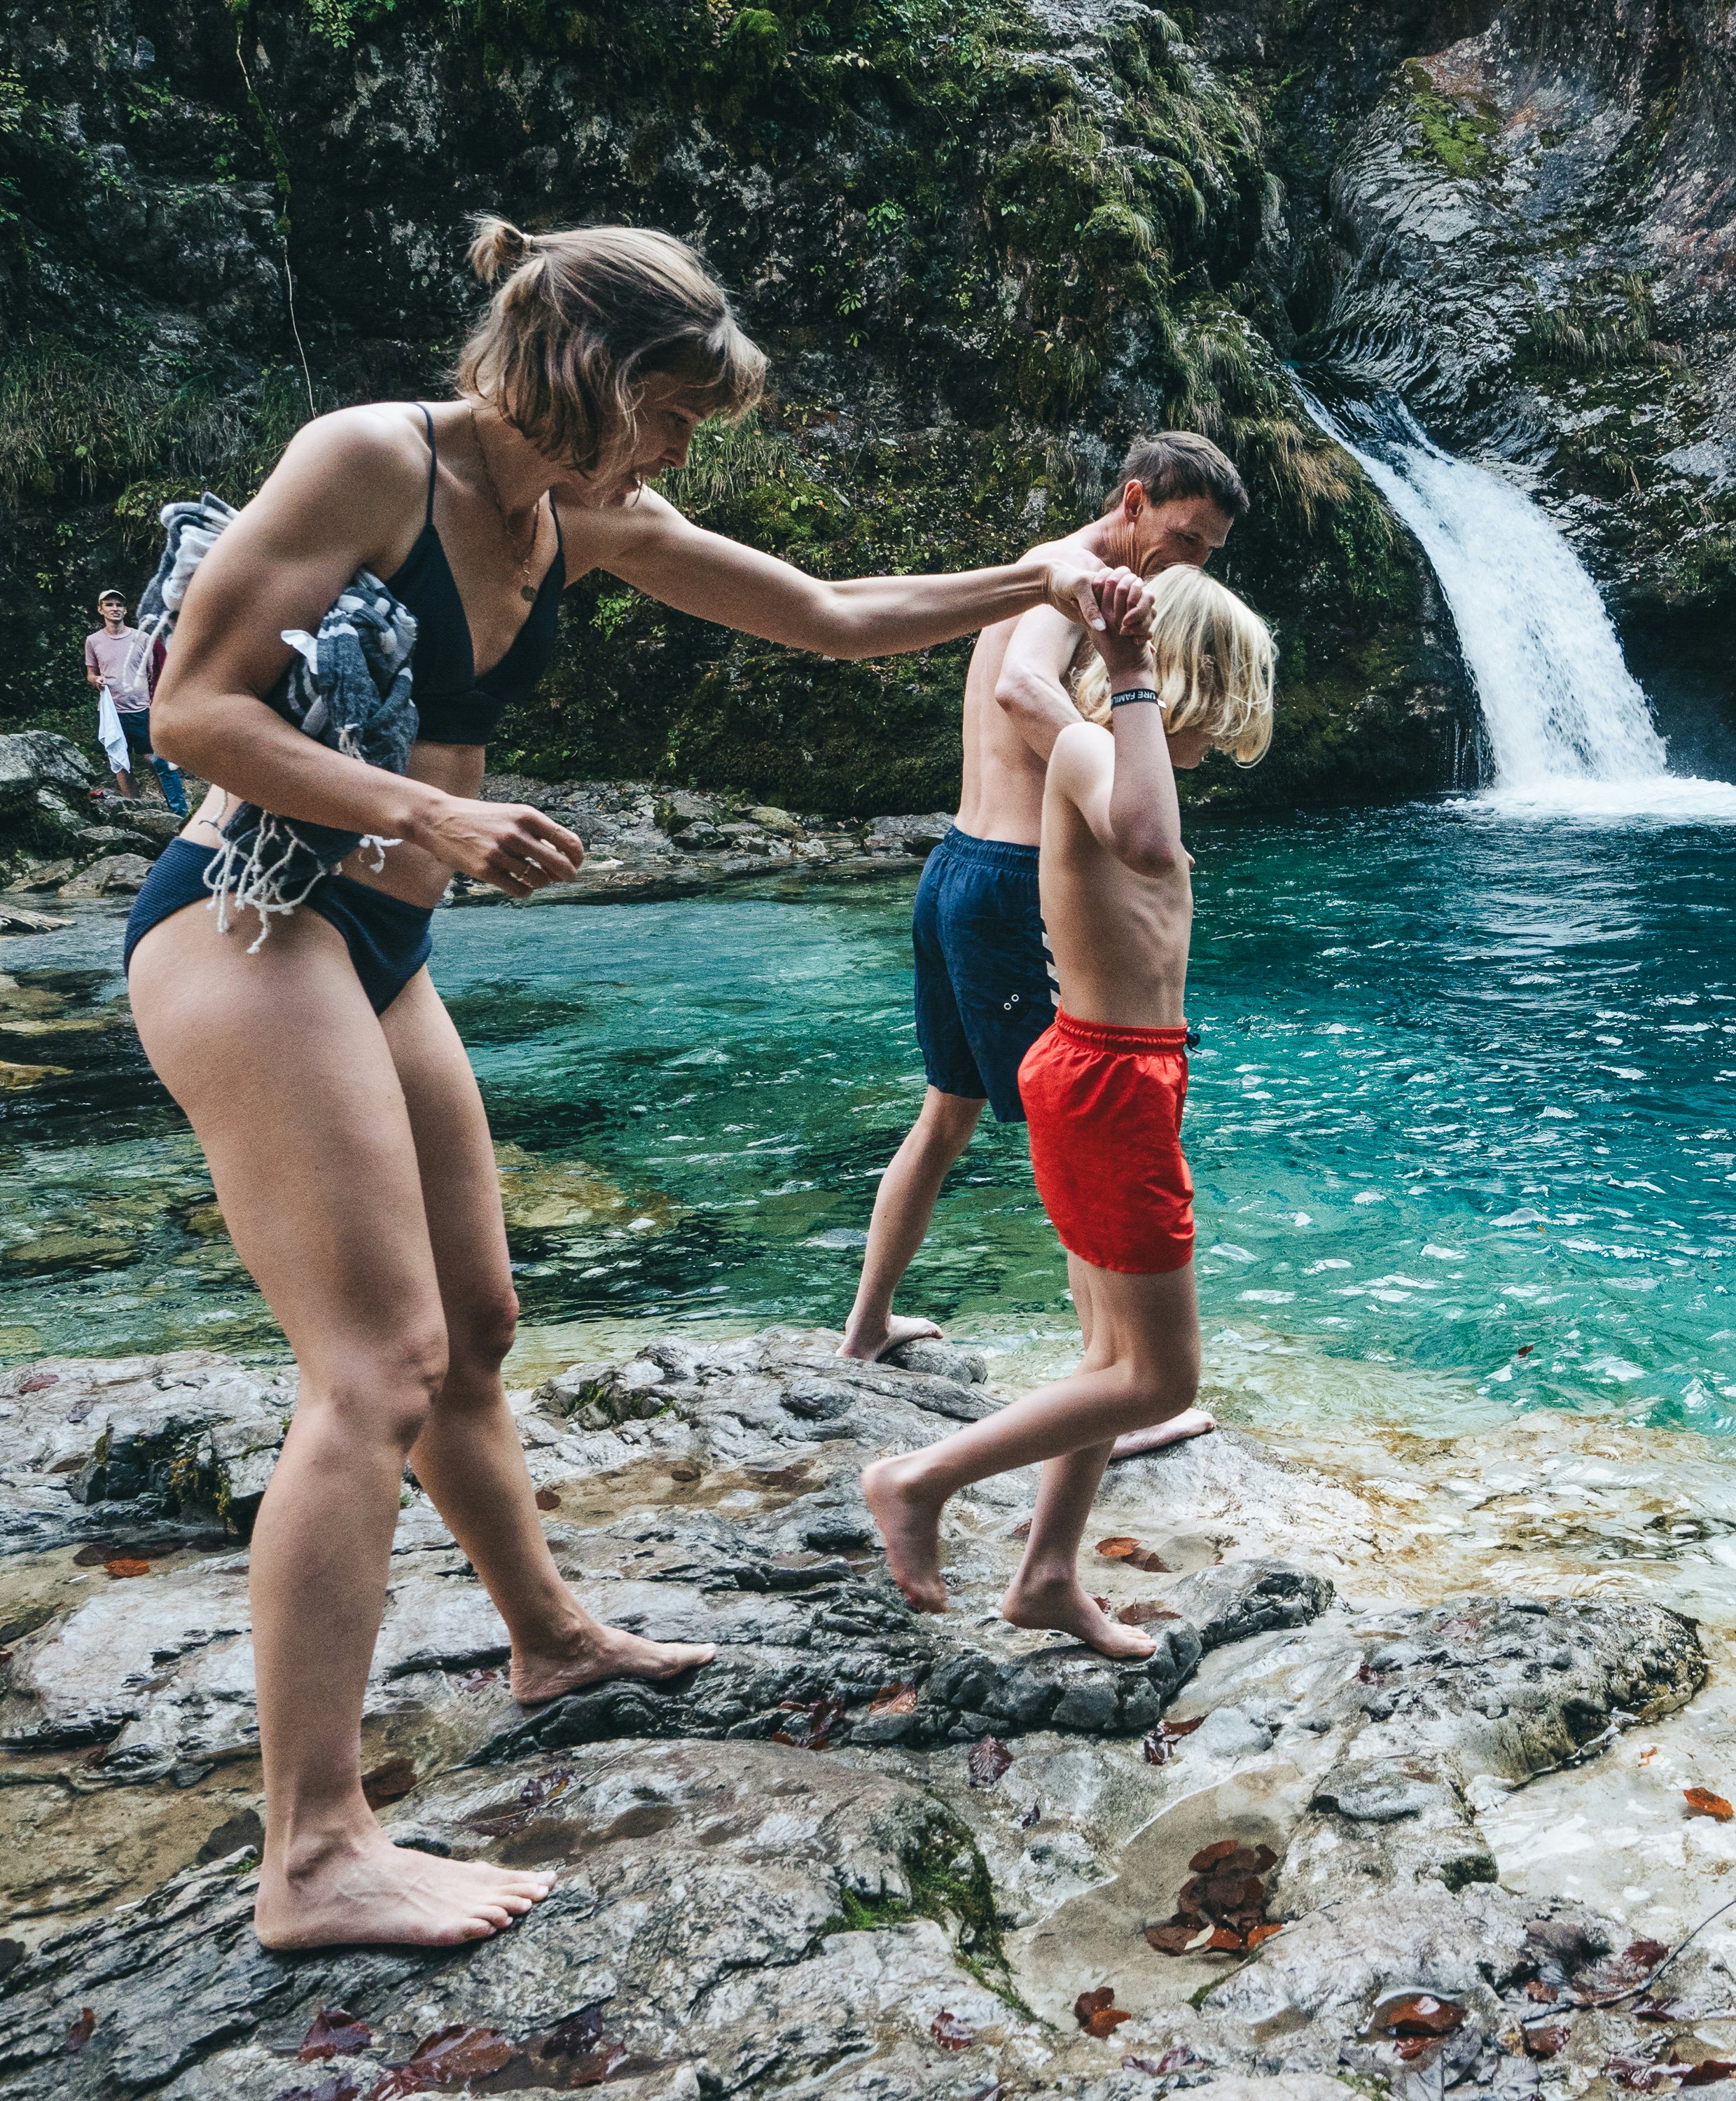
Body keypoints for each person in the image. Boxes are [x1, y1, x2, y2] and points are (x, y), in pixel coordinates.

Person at [127, 216, 1146, 1953]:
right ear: (593, 378)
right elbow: (189, 712)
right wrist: (431, 816)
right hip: (255, 922)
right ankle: (314, 1850)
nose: (682, 453)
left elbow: (828, 616)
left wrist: (1037, 578)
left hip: (383, 947)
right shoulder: (372, 457)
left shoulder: (574, 510)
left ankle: (545, 1637)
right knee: (374, 1367)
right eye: (672, 414)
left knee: (481, 1319)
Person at [864, 565, 1275, 1657]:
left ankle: (1046, 1575)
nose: (1227, 730)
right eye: (1230, 692)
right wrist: (1133, 674)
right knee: (1159, 1377)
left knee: (1107, 1355)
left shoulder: (1099, 748)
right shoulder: (1098, 746)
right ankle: (918, 1480)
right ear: (1198, 678)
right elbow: (1144, 841)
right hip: (1106, 1082)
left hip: (1114, 1072)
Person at [835, 434, 1246, 1411]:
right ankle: (1122, 1373)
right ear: (1136, 501)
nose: (1189, 566)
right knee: (1084, 1143)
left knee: (947, 1116)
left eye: (1210, 554)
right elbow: (1026, 687)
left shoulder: (1047, 571)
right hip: (1017, 882)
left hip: (957, 866)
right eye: (1185, 539)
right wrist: (1110, 779)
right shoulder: (1083, 579)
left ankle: (865, 1329)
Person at [85, 589, 185, 812]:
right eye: (109, 605)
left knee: (155, 760)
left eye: (119, 604)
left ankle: (176, 809)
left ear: (125, 610)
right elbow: (90, 673)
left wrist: (157, 703)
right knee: (122, 763)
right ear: (100, 609)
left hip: (141, 710)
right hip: (111, 713)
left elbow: (156, 673)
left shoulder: (142, 638)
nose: (115, 608)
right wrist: (96, 680)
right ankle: (137, 811)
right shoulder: (93, 641)